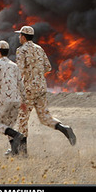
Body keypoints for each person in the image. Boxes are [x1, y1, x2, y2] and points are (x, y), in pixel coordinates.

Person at [15, 26, 76, 155]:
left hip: (28, 89)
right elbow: (48, 67)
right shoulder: (39, 49)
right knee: (44, 117)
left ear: (24, 37)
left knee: (22, 119)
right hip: (41, 87)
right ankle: (65, 129)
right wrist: (37, 72)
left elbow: (19, 71)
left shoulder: (21, 50)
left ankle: (23, 153)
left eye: (20, 35)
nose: (19, 37)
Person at [0, 40, 26, 156]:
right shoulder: (15, 66)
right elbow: (20, 84)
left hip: (5, 99)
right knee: (9, 125)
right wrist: (23, 100)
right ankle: (15, 152)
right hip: (16, 100)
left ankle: (17, 135)